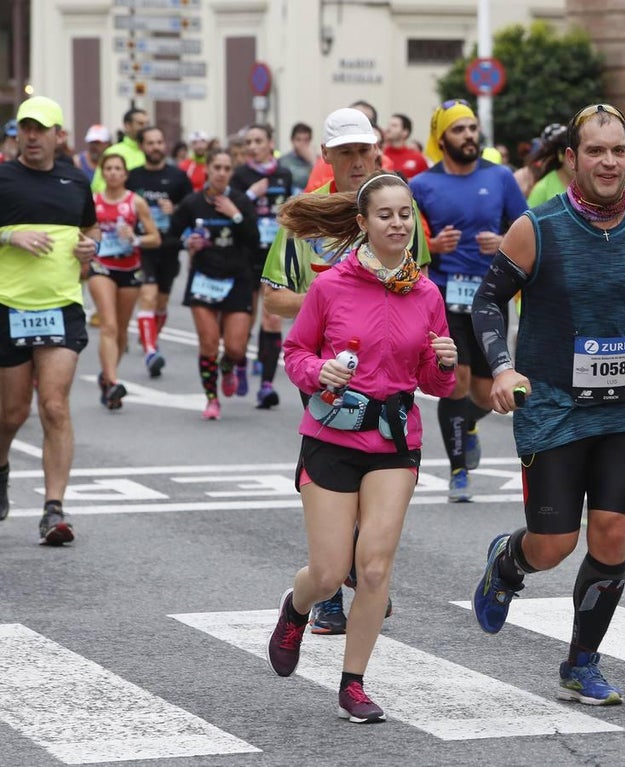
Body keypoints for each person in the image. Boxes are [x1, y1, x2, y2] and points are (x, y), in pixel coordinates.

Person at [469, 102, 625, 705]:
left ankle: (581, 661)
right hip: (554, 404)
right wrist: (501, 367)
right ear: (571, 159)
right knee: (554, 544)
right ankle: (508, 563)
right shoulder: (538, 228)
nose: (608, 161)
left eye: (618, 151)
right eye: (595, 151)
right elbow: (488, 302)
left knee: (610, 535)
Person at [266, 173, 457, 723]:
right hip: (331, 435)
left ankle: (353, 683)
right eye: (385, 215)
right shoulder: (331, 286)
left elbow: (435, 384)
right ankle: (296, 607)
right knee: (329, 573)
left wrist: (443, 363)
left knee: (373, 569)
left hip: (394, 438)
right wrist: (318, 368)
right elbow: (297, 354)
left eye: (405, 214)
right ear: (362, 224)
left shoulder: (425, 292)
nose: (397, 224)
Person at [263, 107, 428, 634]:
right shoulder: (303, 218)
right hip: (326, 376)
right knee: (337, 494)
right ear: (327, 157)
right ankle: (330, 588)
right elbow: (272, 297)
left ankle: (367, 576)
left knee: (378, 491)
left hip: (389, 379)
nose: (358, 161)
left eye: (365, 151)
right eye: (347, 153)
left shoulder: (400, 210)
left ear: (377, 151)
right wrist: (333, 300)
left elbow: (417, 291)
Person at [409, 99, 528, 502]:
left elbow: (526, 229)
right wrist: (432, 246)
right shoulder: (422, 185)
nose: (469, 136)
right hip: (444, 295)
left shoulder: (501, 178)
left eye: (473, 128)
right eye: (459, 130)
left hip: (491, 295)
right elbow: (403, 242)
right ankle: (458, 471)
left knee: (482, 394)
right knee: (454, 382)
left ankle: (469, 425)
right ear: (442, 138)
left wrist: (503, 241)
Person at [0, 96, 100, 542]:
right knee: (11, 412)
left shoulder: (75, 180)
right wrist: (10, 234)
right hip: (9, 306)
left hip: (61, 306)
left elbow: (90, 231)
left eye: (42, 128)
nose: (33, 136)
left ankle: (53, 509)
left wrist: (89, 247)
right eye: (26, 128)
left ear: (59, 135)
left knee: (54, 406)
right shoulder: (3, 177)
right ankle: (2, 469)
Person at [169, 149, 259, 420]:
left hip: (237, 279)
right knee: (208, 343)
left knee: (235, 347)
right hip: (204, 279)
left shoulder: (241, 201)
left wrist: (236, 216)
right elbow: (169, 237)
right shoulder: (192, 203)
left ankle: (228, 366)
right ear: (207, 169)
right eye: (217, 167)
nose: (221, 172)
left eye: (226, 168)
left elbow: (255, 240)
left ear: (232, 172)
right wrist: (186, 243)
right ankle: (211, 399)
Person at [89, 150, 161, 409]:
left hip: (130, 268)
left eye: (118, 168)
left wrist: (135, 238)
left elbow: (155, 237)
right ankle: (112, 381)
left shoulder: (135, 202)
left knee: (120, 331)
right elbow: (81, 232)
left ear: (125, 174)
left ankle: (107, 375)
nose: (113, 173)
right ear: (102, 172)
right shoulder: (93, 201)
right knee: (108, 325)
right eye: (108, 168)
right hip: (102, 267)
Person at [232, 123, 296, 409]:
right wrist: (250, 195)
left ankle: (267, 385)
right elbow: (232, 212)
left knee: (272, 318)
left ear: (271, 143)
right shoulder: (239, 176)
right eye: (249, 141)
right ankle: (241, 364)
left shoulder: (283, 174)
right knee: (246, 318)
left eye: (259, 140)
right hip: (247, 254)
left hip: (276, 254)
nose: (253, 146)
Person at [127, 126, 195, 378]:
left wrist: (175, 209)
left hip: (169, 247)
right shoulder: (133, 178)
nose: (155, 147)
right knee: (148, 295)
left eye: (159, 142)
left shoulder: (178, 177)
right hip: (143, 247)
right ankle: (150, 351)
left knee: (161, 302)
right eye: (150, 143)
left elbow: (193, 210)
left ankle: (150, 337)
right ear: (142, 147)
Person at [91, 108, 148, 193]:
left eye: (147, 124)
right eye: (140, 124)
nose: (145, 128)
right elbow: (99, 186)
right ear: (127, 126)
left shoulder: (152, 153)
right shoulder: (113, 152)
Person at [525, 124, 572, 208]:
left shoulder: (589, 186)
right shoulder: (542, 188)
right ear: (561, 155)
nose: (576, 163)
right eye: (571, 157)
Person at [382, 114, 429, 180]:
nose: (388, 129)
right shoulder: (380, 155)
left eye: (394, 126)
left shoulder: (418, 158)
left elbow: (425, 182)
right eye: (388, 125)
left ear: (405, 132)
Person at [279, 122, 315, 194]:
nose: (302, 143)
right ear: (292, 140)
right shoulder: (283, 161)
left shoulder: (316, 160)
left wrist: (312, 161)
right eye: (298, 139)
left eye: (306, 140)